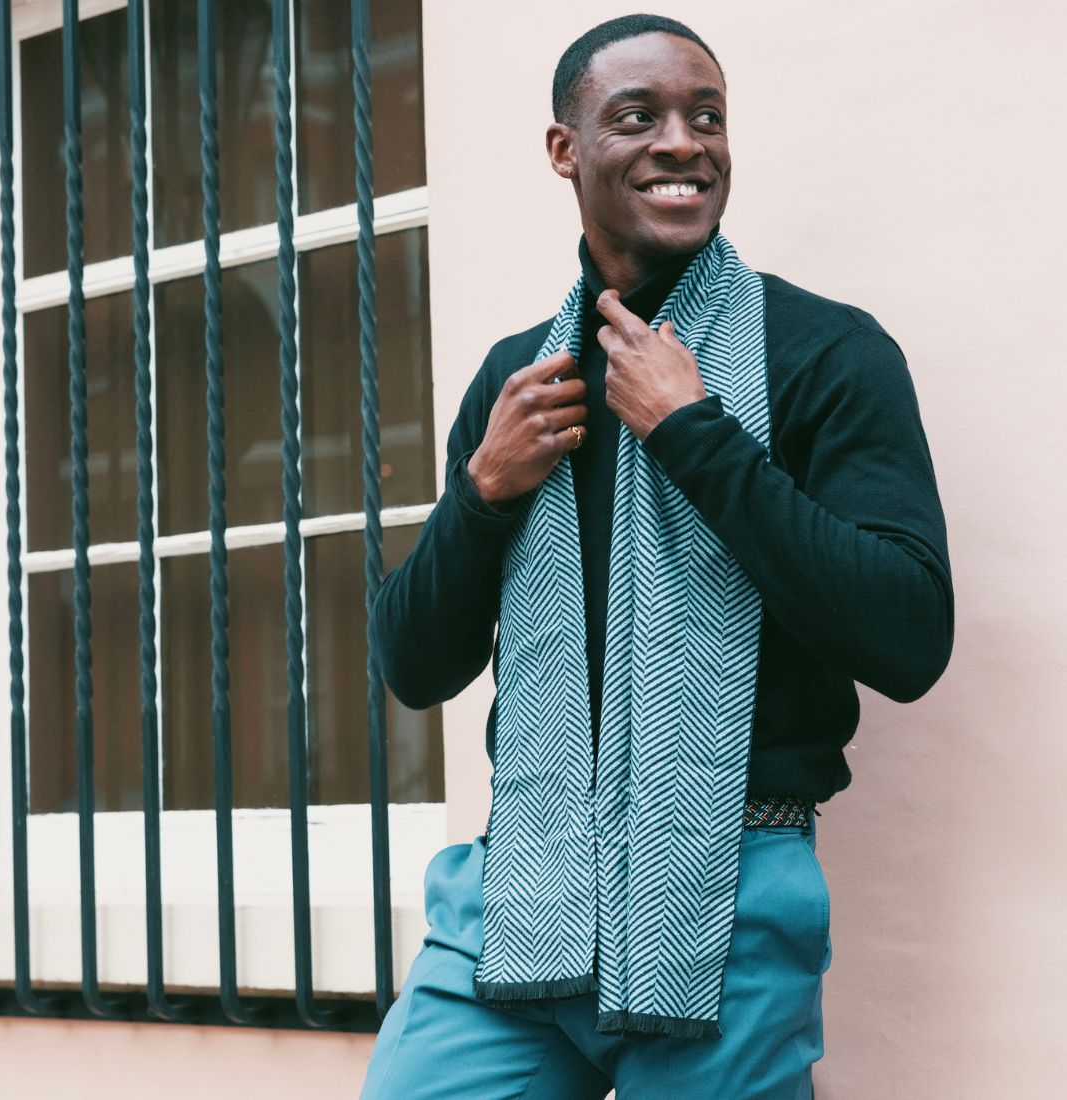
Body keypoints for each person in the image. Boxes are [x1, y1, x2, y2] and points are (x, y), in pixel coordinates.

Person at [360, 13, 954, 1099]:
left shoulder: (823, 353)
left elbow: (908, 632)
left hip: (723, 893)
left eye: (707, 117)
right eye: (637, 116)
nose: (683, 142)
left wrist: (695, 436)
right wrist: (482, 494)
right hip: (522, 890)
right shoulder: (518, 383)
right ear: (563, 150)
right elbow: (414, 662)